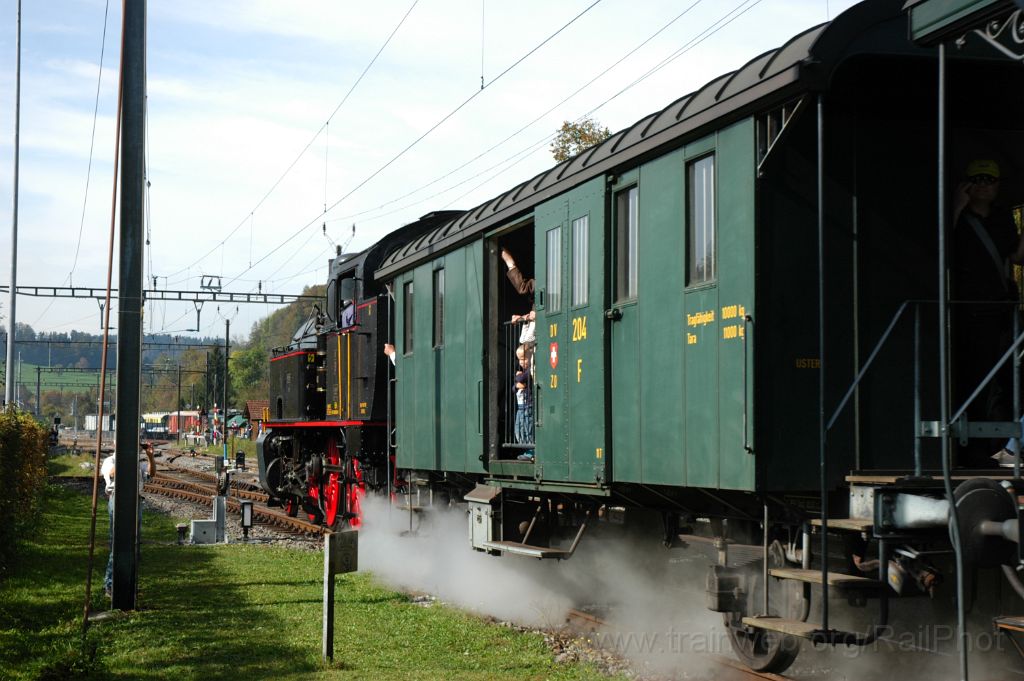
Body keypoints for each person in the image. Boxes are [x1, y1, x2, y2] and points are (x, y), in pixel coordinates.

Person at [951, 159, 1024, 467]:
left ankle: (1000, 446)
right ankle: (973, 450)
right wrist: (957, 205)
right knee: (974, 378)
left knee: (1005, 379)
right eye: (976, 179)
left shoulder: (1002, 218)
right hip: (970, 310)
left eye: (989, 180)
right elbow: (942, 246)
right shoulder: (959, 216)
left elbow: (1018, 256)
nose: (983, 184)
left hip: (1002, 309)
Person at [102, 448, 150, 599]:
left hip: (135, 500)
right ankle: (110, 584)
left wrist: (150, 457)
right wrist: (125, 455)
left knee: (134, 543)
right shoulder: (110, 460)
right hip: (117, 499)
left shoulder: (137, 462)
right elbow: (111, 473)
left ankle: (130, 584)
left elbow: (151, 474)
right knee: (117, 542)